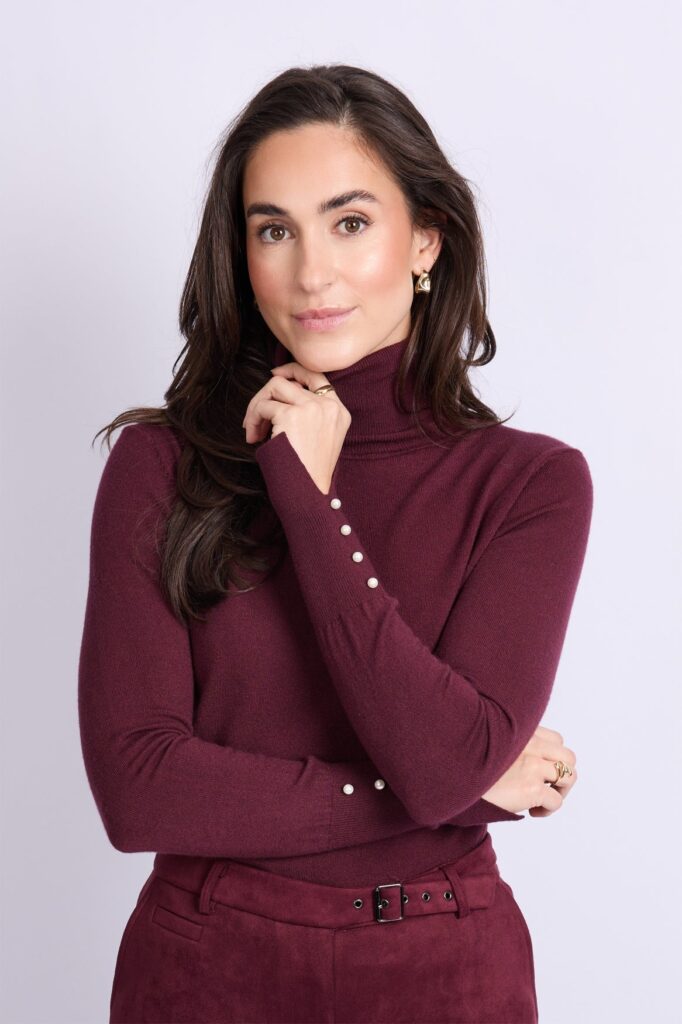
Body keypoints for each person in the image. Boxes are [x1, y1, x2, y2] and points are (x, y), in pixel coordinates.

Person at [78, 63, 593, 1024]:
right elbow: (137, 789)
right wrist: (459, 791)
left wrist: (310, 504)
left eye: (349, 222)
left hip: (446, 970)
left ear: (426, 239)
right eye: (274, 230)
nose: (311, 273)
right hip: (208, 965)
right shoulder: (163, 465)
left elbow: (446, 762)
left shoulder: (529, 483)